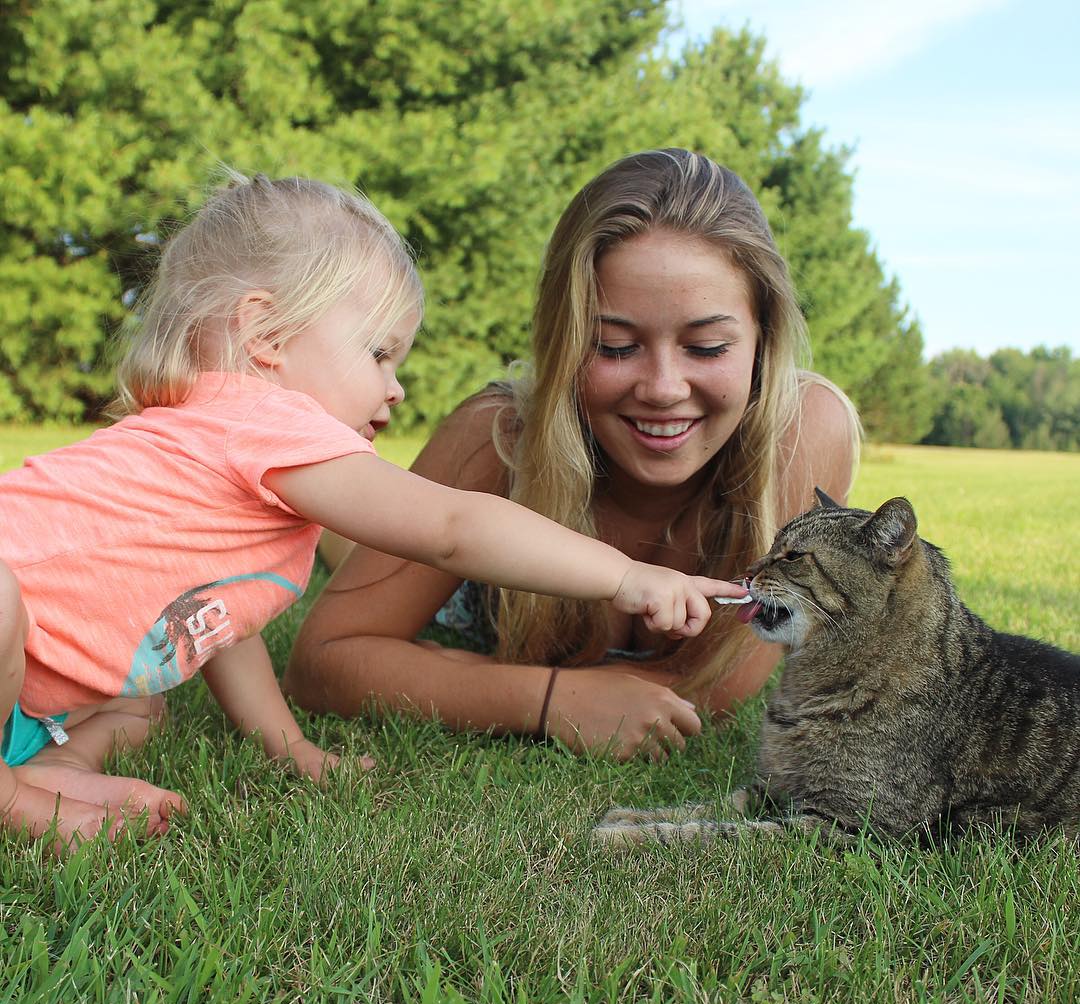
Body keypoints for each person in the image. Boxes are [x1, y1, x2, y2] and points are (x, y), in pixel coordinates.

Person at [0, 171, 747, 847]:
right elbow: (453, 529)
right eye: (379, 354)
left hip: (28, 704)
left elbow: (214, 621)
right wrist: (625, 577)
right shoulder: (260, 421)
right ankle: (13, 801)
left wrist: (285, 746)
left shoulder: (225, 454)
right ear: (265, 336)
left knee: (140, 707)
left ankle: (45, 774)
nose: (394, 388)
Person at [284, 148, 861, 761]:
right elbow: (321, 664)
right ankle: (321, 526)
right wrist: (546, 699)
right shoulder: (498, 436)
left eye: (707, 347)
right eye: (614, 347)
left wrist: (445, 672)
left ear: (763, 343)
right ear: (564, 341)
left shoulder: (804, 431)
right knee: (345, 539)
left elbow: (714, 690)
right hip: (463, 582)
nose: (664, 388)